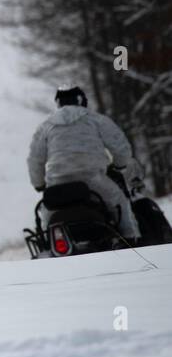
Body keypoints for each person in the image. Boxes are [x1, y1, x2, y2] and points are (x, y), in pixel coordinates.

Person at [27, 86, 140, 242]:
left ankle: (49, 248)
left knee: (47, 220)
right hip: (94, 182)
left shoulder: (46, 126)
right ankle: (131, 242)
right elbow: (120, 147)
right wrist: (120, 164)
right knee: (120, 204)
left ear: (58, 103)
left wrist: (39, 183)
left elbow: (35, 159)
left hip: (57, 187)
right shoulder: (95, 119)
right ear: (81, 100)